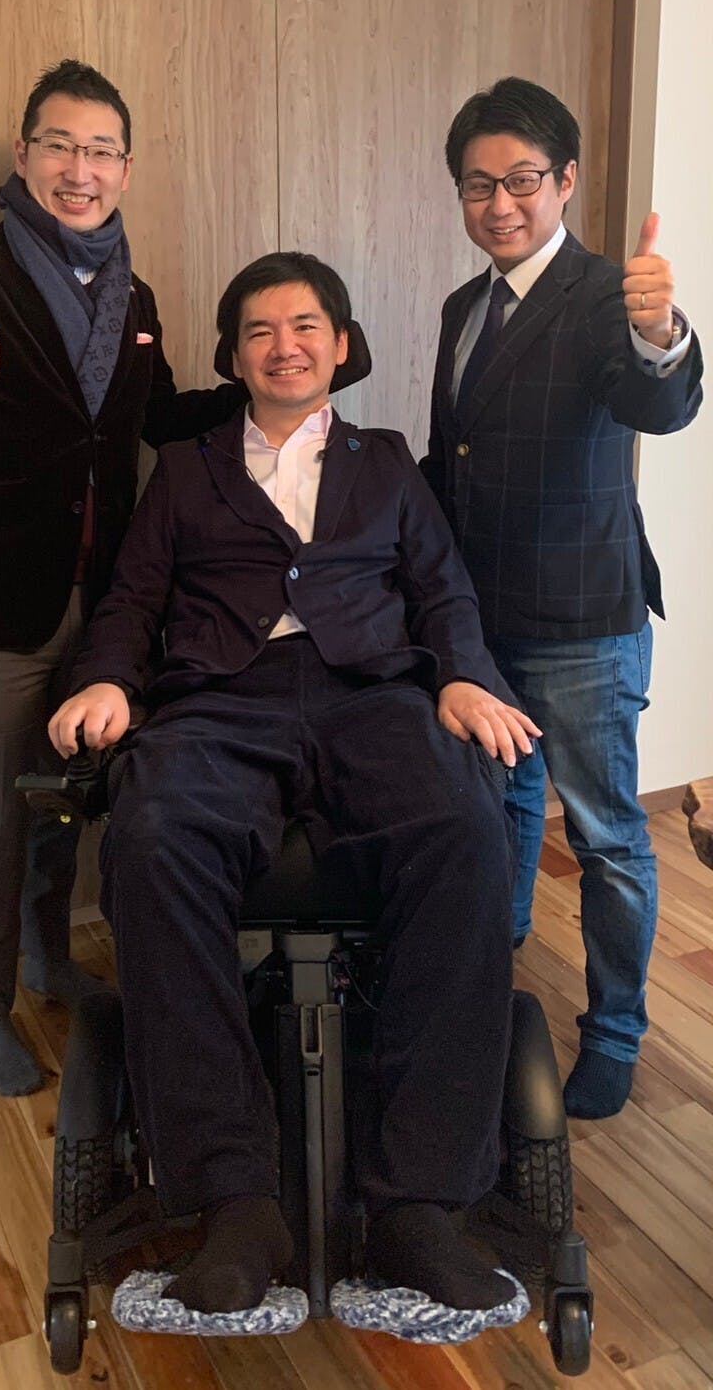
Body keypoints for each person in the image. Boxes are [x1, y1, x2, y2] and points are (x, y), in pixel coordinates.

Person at [48, 252, 539, 1321]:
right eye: (261, 330)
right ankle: (236, 1201)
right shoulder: (185, 470)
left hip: (375, 697)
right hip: (222, 699)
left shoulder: (386, 462)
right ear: (233, 356)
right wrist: (106, 677)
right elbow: (132, 599)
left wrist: (464, 675)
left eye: (307, 325)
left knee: (467, 829)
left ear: (341, 345)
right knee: (152, 838)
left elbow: (443, 591)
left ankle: (417, 1205)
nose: (286, 346)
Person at [0, 59, 247, 1095]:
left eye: (100, 151)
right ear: (24, 153)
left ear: (125, 169)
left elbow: (155, 419)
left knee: (62, 802)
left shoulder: (133, 293)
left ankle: (47, 957)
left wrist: (270, 389)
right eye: (60, 145)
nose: (79, 169)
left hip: (103, 603)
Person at [421, 76, 703, 1119]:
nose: (500, 203)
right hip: (482, 618)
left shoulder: (607, 297)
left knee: (607, 837)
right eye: (478, 184)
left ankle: (617, 1031)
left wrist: (663, 332)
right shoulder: (463, 308)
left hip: (584, 621)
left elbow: (660, 402)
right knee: (501, 803)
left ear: (566, 180)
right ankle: (491, 965)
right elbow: (452, 460)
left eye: (523, 180)